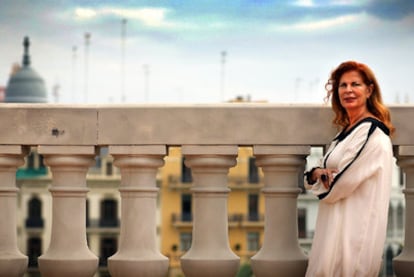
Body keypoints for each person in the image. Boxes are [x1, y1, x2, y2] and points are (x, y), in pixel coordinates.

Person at [304, 60, 395, 276]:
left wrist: (317, 176)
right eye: (343, 85)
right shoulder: (346, 133)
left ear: (369, 90)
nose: (348, 90)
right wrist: (317, 173)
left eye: (355, 84)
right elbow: (322, 172)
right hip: (334, 230)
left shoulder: (370, 133)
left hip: (354, 234)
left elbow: (339, 184)